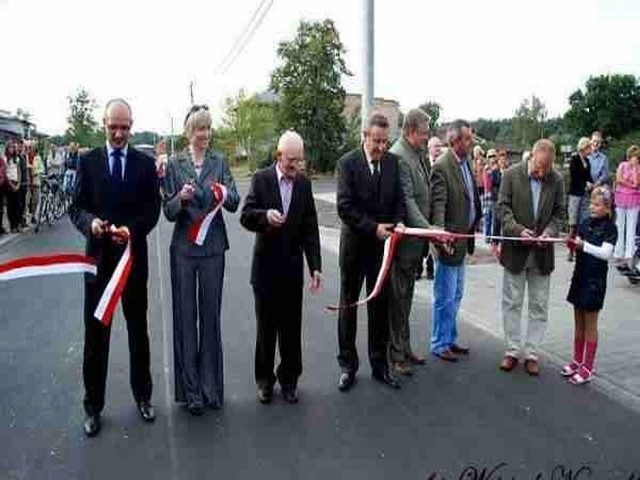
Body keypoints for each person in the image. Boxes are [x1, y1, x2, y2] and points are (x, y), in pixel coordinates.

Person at [69, 99, 161, 437]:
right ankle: (93, 406)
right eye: (113, 127)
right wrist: (91, 223)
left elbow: (152, 209)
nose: (119, 133)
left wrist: (132, 231)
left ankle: (144, 397)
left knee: (139, 333)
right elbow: (76, 207)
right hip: (98, 264)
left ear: (132, 126)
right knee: (96, 338)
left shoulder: (144, 163)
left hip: (133, 263)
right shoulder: (87, 161)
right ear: (103, 124)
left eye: (125, 127)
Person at [162, 105, 240, 415]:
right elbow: (167, 211)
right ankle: (191, 393)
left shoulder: (219, 162)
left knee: (210, 319)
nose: (205, 134)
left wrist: (222, 190)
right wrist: (179, 199)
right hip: (183, 250)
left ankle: (211, 390)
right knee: (185, 319)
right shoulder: (174, 164)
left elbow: (234, 201)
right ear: (188, 132)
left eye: (208, 128)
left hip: (212, 250)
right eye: (199, 129)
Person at [240, 130, 322, 404]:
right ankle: (264, 381)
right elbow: (246, 216)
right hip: (264, 271)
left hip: (291, 270)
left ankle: (289, 379)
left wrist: (315, 266)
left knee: (291, 329)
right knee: (266, 330)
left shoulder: (303, 184)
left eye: (299, 161)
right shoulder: (261, 180)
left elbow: (310, 227)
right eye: (290, 161)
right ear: (278, 156)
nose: (295, 167)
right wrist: (265, 217)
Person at [336, 111, 405, 392]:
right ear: (364, 136)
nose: (380, 147)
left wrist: (400, 221)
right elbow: (344, 207)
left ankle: (380, 365)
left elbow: (399, 200)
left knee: (379, 307)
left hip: (381, 251)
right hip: (354, 248)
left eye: (384, 142)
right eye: (376, 141)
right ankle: (347, 367)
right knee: (349, 306)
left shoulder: (392, 163)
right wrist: (373, 228)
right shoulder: (347, 164)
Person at [497, 139, 565, 376]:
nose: (542, 172)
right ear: (532, 156)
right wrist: (517, 230)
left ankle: (532, 353)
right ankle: (512, 350)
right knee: (512, 302)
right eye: (539, 167)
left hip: (542, 254)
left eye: (547, 168)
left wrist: (550, 233)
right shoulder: (510, 175)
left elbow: (560, 214)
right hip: (516, 251)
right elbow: (502, 209)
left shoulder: (556, 179)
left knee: (539, 305)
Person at [429, 120, 481, 362]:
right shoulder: (442, 166)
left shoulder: (464, 162)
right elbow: (438, 205)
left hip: (463, 241)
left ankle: (449, 337)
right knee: (445, 297)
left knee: (457, 294)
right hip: (449, 244)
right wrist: (440, 235)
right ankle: (439, 343)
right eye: (468, 139)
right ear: (454, 141)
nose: (472, 143)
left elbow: (471, 194)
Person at [387, 108, 431, 376]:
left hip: (416, 244)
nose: (428, 138)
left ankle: (404, 347)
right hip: (406, 243)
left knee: (407, 298)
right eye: (425, 133)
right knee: (398, 300)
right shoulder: (400, 155)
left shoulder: (415, 153)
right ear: (412, 131)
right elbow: (408, 201)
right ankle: (396, 354)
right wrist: (429, 230)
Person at [563, 186, 617, 385]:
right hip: (580, 275)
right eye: (591, 203)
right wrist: (572, 244)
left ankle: (588, 367)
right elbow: (578, 244)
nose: (592, 207)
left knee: (590, 324)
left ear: (608, 208)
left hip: (595, 280)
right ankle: (577, 360)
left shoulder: (610, 228)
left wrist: (582, 245)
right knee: (578, 320)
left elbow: (605, 253)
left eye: (597, 204)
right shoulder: (585, 223)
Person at [418, 136, 444, 280]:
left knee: (433, 240)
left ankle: (430, 269)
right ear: (429, 148)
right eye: (436, 147)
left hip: (437, 208)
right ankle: (418, 268)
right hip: (424, 208)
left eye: (440, 146)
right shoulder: (423, 163)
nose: (438, 149)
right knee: (422, 239)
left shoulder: (443, 165)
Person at [613, 145, 640, 273]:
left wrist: (635, 168)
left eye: (638, 158)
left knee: (631, 228)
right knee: (620, 226)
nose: (636, 159)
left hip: (634, 200)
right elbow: (618, 179)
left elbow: (637, 183)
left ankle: (629, 255)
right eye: (635, 157)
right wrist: (630, 185)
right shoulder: (622, 165)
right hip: (621, 198)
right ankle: (618, 254)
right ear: (629, 156)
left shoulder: (638, 168)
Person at [567, 138, 593, 262]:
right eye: (589, 147)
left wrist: (591, 183)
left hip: (585, 195)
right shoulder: (574, 159)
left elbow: (589, 176)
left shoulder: (587, 161)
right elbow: (574, 176)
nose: (590, 150)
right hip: (575, 195)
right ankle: (570, 250)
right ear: (584, 147)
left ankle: (580, 250)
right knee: (573, 223)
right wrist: (585, 183)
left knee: (583, 223)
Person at [5, 142, 22, 233]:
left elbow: (19, 171)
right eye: (10, 148)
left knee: (17, 205)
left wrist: (18, 183)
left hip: (16, 182)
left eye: (12, 147)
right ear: (7, 149)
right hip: (9, 184)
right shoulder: (5, 159)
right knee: (10, 206)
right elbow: (5, 174)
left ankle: (17, 224)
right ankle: (12, 226)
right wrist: (11, 185)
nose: (11, 149)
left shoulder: (17, 159)